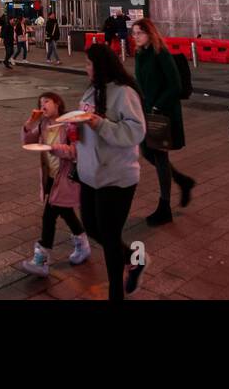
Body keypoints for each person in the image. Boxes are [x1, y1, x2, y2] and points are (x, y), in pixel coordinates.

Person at [75, 43, 147, 300]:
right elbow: (85, 128)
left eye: (88, 64)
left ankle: (116, 292)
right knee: (92, 228)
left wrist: (101, 124)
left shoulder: (124, 93)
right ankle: (133, 259)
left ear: (100, 67)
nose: (85, 69)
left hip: (116, 177)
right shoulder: (90, 92)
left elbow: (136, 131)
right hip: (89, 175)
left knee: (109, 234)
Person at [130, 18, 197, 226]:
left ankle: (165, 206)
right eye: (133, 34)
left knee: (158, 156)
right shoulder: (141, 55)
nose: (135, 37)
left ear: (149, 33)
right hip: (147, 112)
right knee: (148, 152)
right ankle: (182, 181)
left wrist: (157, 105)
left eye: (139, 33)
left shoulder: (161, 53)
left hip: (162, 113)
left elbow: (175, 85)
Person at [20, 92, 90, 277]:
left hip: (65, 177)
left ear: (57, 103)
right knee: (65, 211)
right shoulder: (43, 124)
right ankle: (83, 245)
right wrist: (30, 122)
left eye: (47, 101)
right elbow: (28, 141)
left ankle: (41, 259)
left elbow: (76, 151)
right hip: (50, 176)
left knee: (49, 216)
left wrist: (54, 149)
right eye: (40, 102)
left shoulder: (69, 123)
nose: (43, 105)